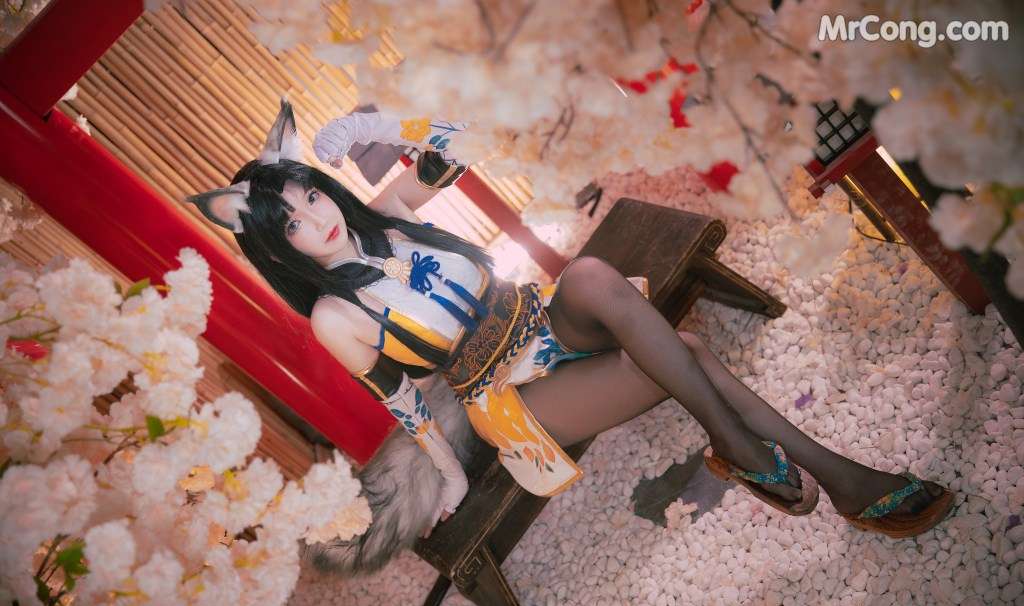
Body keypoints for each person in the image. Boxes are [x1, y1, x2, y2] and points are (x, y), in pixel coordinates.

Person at [185, 99, 955, 539]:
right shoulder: (333, 315)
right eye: (289, 222)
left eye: (309, 194)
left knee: (588, 275)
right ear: (274, 246)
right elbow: (403, 400)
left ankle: (743, 451)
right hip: (510, 396)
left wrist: (379, 126)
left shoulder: (389, 212)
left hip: (546, 322)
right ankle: (834, 477)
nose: (314, 217)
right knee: (685, 350)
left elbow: (462, 141)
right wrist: (450, 472)